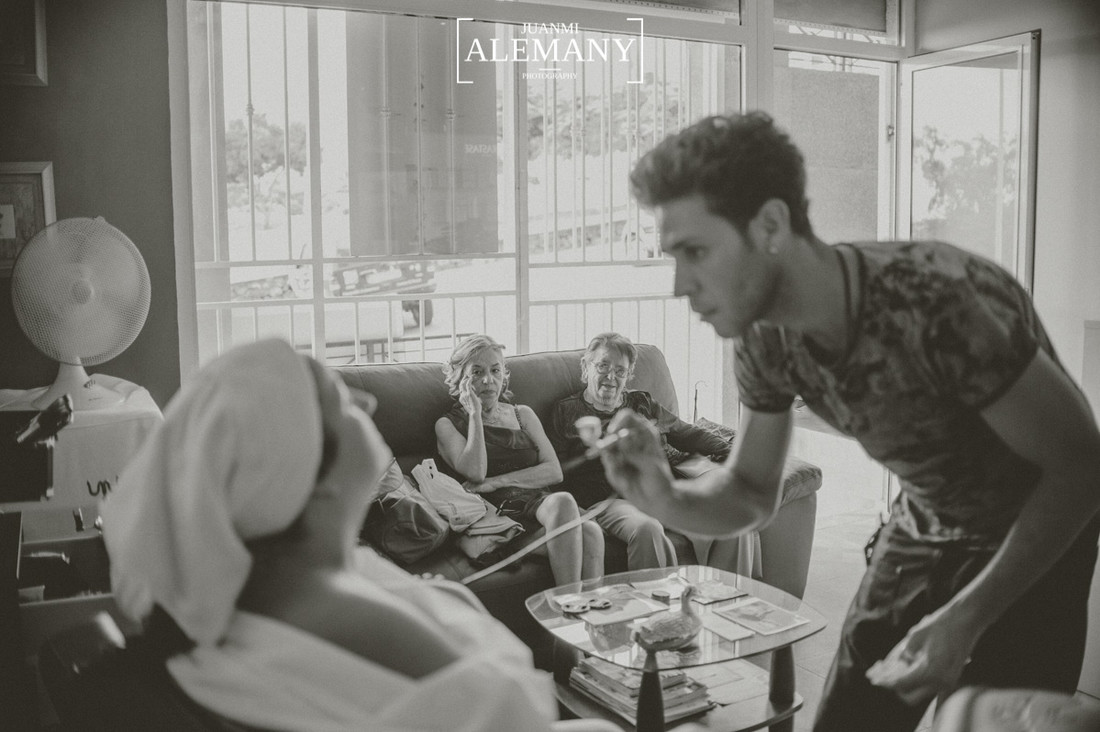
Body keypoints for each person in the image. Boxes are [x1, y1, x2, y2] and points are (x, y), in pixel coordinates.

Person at [600, 111, 1100, 732]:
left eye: (696, 252)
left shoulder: (937, 301)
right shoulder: (763, 337)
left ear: (771, 225)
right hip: (923, 522)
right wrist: (663, 495)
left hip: (1036, 534)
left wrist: (966, 618)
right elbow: (751, 491)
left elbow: (1081, 467)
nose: (680, 285)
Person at [100, 338, 617, 732]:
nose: (368, 403)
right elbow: (510, 712)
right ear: (313, 482)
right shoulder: (338, 621)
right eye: (341, 403)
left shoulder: (282, 584)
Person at [549, 332, 734, 570]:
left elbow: (688, 434)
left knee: (729, 518)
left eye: (620, 371)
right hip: (610, 499)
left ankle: (729, 590)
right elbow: (557, 472)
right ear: (586, 368)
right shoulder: (566, 412)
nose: (610, 377)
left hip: (661, 491)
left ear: (628, 376)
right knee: (647, 528)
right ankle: (654, 595)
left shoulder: (641, 403)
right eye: (603, 366)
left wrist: (733, 454)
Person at [435, 334, 605, 586]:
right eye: (477, 372)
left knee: (589, 529)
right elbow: (476, 473)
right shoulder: (447, 424)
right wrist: (475, 415)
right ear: (461, 379)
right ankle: (568, 603)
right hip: (497, 518)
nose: (488, 380)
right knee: (574, 515)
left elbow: (554, 471)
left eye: (495, 370)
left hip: (536, 505)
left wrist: (497, 481)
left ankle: (583, 609)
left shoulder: (522, 414)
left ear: (504, 375)